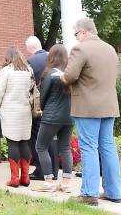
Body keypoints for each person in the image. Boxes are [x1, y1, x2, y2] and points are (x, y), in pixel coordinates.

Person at [60, 17, 121, 206]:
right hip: (109, 105)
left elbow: (70, 76)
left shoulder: (81, 48)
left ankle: (89, 193)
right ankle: (113, 192)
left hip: (87, 107)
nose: (76, 38)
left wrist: (61, 77)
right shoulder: (110, 49)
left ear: (84, 32)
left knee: (88, 148)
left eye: (76, 34)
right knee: (108, 147)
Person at [32, 44, 74, 193]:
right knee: (65, 148)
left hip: (51, 116)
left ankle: (49, 182)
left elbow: (43, 97)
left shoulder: (50, 74)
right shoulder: (70, 74)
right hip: (69, 117)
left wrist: (41, 108)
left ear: (52, 57)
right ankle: (66, 184)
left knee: (41, 146)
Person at [0, 46, 35, 188]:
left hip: (10, 111)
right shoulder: (28, 70)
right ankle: (25, 178)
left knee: (13, 143)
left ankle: (14, 178)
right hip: (25, 111)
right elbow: (31, 89)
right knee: (24, 142)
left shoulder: (6, 71)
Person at [25, 35, 52, 180]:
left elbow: (27, 84)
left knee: (37, 137)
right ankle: (53, 168)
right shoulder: (54, 57)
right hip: (56, 104)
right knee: (52, 138)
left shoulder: (31, 61)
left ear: (30, 48)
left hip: (38, 104)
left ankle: (41, 170)